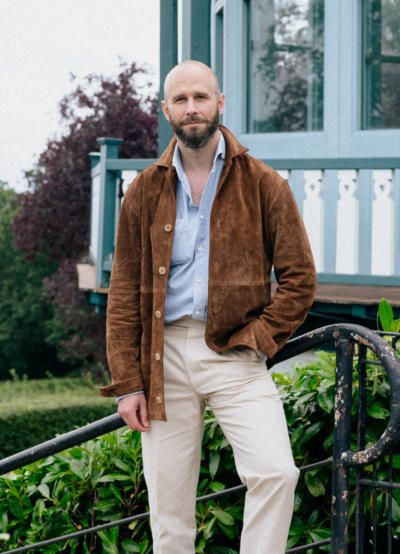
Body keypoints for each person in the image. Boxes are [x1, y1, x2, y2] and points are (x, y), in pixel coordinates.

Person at [100, 60, 317, 553]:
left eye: (201, 97)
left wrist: (260, 338)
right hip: (163, 357)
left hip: (235, 352)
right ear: (165, 111)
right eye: (181, 100)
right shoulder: (143, 191)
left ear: (220, 104)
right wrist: (127, 383)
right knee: (170, 509)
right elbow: (124, 292)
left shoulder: (264, 183)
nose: (192, 108)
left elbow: (300, 279)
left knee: (277, 473)